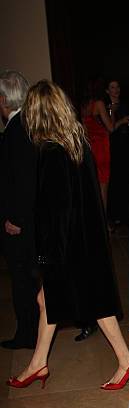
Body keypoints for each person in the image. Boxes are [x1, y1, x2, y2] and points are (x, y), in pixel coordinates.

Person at [7, 80, 129, 390]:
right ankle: (39, 363)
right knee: (56, 302)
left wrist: (46, 255)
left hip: (67, 247)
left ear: (38, 114)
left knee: (85, 303)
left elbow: (56, 211)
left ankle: (125, 360)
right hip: (86, 240)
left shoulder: (52, 151)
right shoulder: (76, 143)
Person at [0, 70, 39, 349]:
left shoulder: (15, 131)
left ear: (4, 99)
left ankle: (27, 335)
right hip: (34, 218)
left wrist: (16, 218)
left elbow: (22, 181)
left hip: (21, 223)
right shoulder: (33, 124)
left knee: (23, 279)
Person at [81, 78, 128, 210]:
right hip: (102, 149)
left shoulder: (84, 105)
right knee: (103, 189)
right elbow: (111, 128)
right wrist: (113, 112)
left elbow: (84, 131)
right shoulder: (99, 104)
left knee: (94, 188)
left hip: (91, 149)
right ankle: (104, 225)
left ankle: (98, 223)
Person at [105, 79, 129, 226]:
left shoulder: (125, 104)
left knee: (128, 179)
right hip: (112, 147)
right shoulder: (105, 107)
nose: (116, 89)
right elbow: (108, 130)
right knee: (115, 180)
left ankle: (127, 214)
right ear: (107, 90)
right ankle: (115, 215)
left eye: (118, 86)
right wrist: (122, 121)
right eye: (112, 87)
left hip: (127, 146)